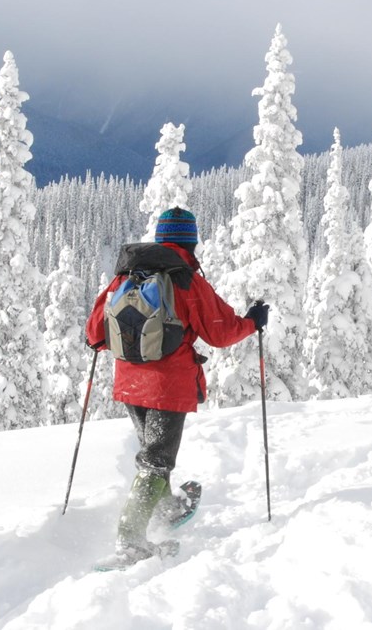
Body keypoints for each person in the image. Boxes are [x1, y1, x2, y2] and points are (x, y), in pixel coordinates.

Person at [85, 207, 268, 561]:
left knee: (153, 453)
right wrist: (252, 322)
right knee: (157, 460)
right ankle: (130, 540)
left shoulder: (125, 276)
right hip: (168, 388)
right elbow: (220, 332)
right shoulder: (184, 279)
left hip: (129, 384)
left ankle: (166, 508)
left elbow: (94, 335)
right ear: (192, 241)